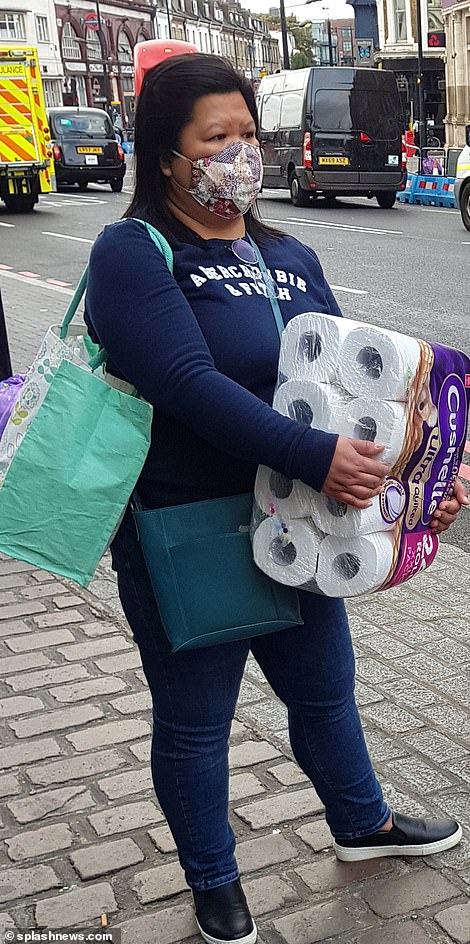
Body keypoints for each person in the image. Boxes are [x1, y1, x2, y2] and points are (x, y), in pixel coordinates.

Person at [85, 54, 467, 944]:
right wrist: (319, 455)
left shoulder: (288, 251)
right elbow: (185, 381)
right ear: (168, 156)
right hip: (187, 525)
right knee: (196, 722)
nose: (238, 155)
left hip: (303, 519)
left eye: (248, 135)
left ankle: (362, 824)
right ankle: (214, 882)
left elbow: (366, 389)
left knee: (327, 692)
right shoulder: (134, 251)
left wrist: (421, 488)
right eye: (215, 139)